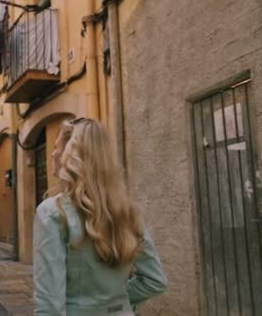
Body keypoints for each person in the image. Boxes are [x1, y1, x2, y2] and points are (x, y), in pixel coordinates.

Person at [33, 118, 167, 315]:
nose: (52, 154)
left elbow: (50, 305)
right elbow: (155, 281)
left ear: (70, 154)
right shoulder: (128, 213)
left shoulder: (53, 212)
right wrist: (115, 300)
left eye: (56, 147)